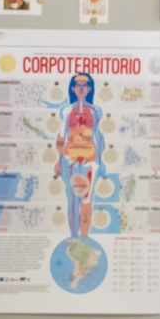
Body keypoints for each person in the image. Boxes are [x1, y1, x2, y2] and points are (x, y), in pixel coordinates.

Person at [54, 73, 105, 240]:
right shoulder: (67, 110)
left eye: (85, 85)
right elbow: (62, 136)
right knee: (72, 201)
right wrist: (58, 161)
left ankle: (84, 238)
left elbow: (98, 137)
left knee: (87, 200)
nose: (81, 88)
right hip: (69, 160)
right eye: (78, 85)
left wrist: (100, 160)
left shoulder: (96, 110)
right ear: (74, 89)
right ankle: (73, 237)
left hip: (90, 160)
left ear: (89, 89)